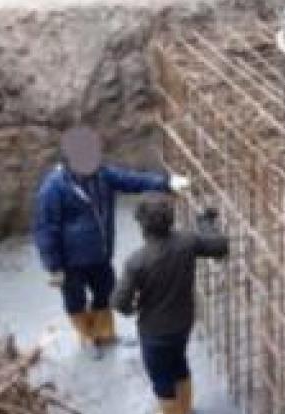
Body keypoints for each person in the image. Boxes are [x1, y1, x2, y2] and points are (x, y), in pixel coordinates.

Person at [33, 126, 190, 358]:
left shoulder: (101, 175)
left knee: (104, 292)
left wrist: (166, 183)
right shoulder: (53, 189)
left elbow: (132, 180)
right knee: (75, 299)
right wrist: (53, 266)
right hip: (71, 262)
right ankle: (87, 337)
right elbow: (46, 229)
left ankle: (105, 335)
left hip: (101, 253)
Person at [115, 194, 229, 414]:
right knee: (178, 361)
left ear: (143, 226)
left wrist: (130, 308)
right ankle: (186, 410)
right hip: (183, 322)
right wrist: (205, 222)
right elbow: (220, 246)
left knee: (160, 374)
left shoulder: (136, 261)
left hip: (154, 330)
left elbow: (119, 302)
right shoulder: (187, 242)